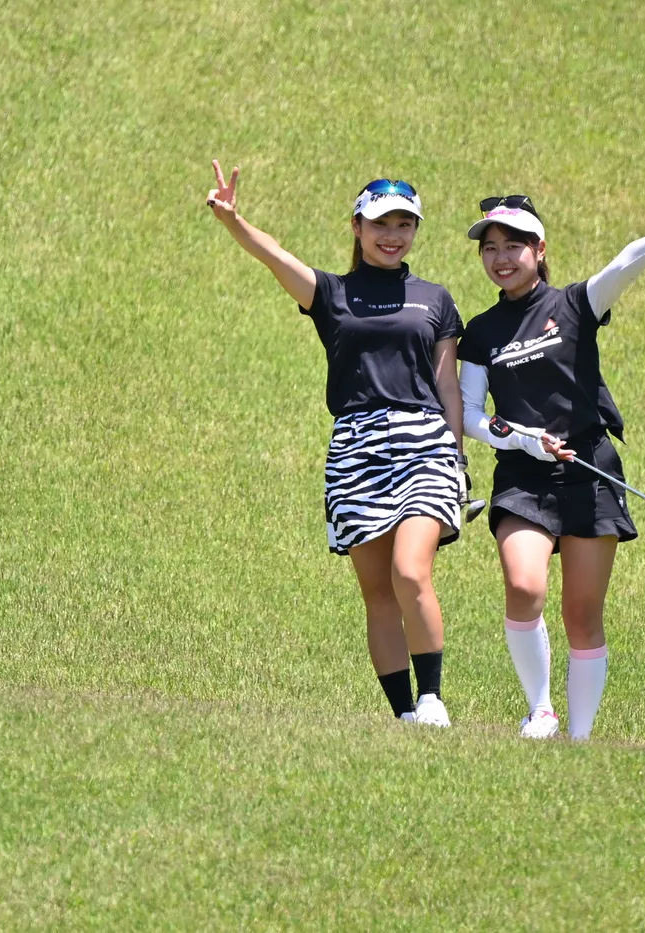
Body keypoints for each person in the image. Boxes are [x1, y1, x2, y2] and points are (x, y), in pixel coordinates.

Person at [206, 161, 468, 726]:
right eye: (380, 224)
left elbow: (447, 384)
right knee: (378, 593)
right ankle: (404, 717)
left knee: (410, 573)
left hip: (425, 444)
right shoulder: (332, 292)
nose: (392, 235)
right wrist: (233, 222)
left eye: (404, 224)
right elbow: (276, 257)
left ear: (416, 229)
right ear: (357, 226)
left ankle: (431, 699)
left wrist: (458, 457)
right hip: (356, 447)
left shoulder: (436, 299)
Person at [457, 171, 645, 739]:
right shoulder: (481, 332)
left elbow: (625, 266)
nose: (501, 258)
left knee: (581, 613)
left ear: (540, 249)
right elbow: (470, 414)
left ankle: (579, 738)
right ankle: (541, 710)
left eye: (513, 245)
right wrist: (523, 437)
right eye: (490, 248)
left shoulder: (575, 303)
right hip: (523, 476)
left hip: (589, 472)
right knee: (524, 586)